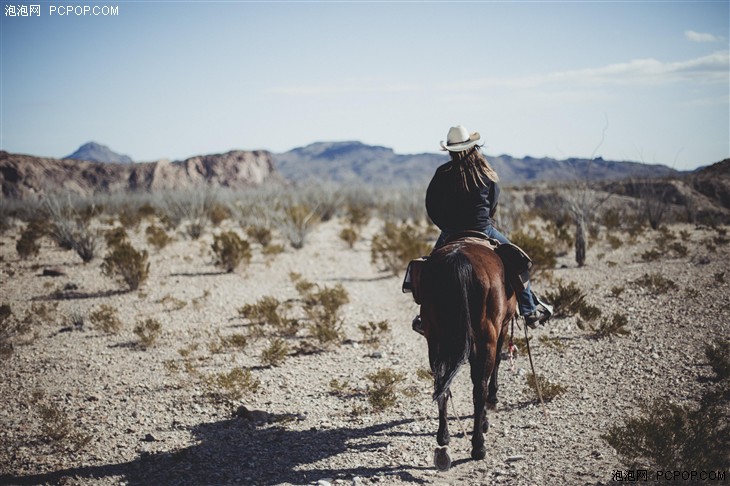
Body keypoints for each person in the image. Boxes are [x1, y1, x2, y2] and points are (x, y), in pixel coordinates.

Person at [412, 125, 551, 334]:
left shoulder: (442, 174)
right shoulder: (486, 171)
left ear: (450, 151)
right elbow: (493, 201)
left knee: (430, 269)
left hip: (452, 233)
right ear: (472, 147)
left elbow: (432, 206)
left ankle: (425, 318)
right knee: (518, 262)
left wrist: (447, 228)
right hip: (484, 230)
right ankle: (529, 309)